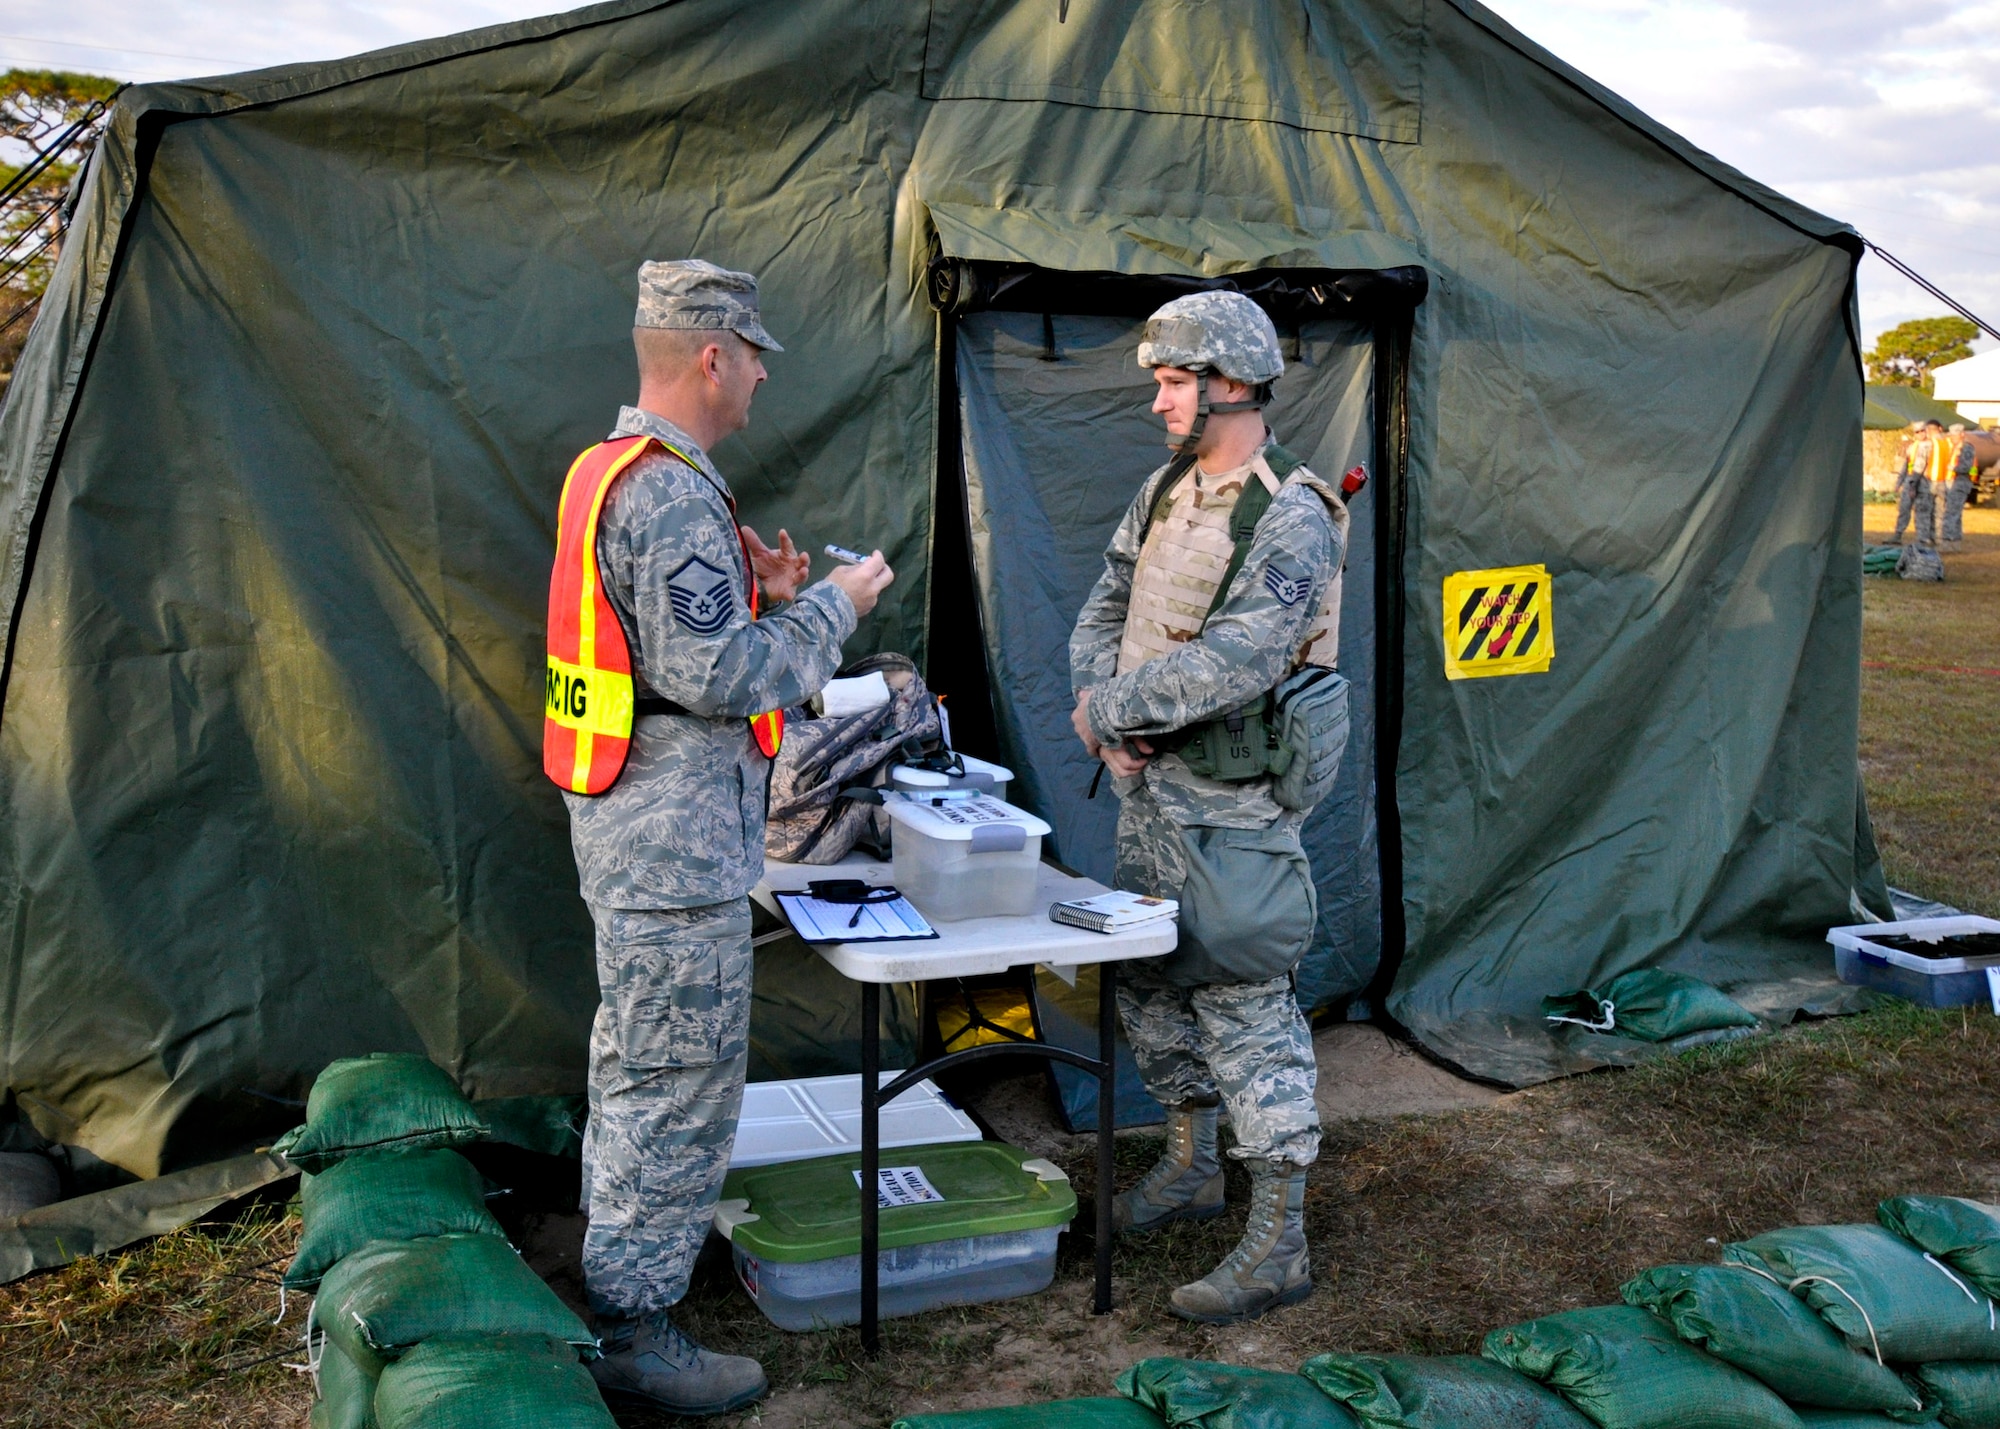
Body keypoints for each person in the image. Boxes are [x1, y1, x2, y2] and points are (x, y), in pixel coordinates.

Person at [546, 259, 893, 1414]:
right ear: (709, 355)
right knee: (677, 1078)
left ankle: (619, 1274)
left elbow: (664, 651)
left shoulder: (609, 474)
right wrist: (831, 608)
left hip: (636, 828)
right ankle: (637, 1331)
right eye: (750, 355)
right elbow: (713, 673)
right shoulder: (674, 494)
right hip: (674, 841)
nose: (756, 376)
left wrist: (770, 599)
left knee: (637, 1062)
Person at [1068, 291, 1347, 1326]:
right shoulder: (1165, 490)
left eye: (1171, 381)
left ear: (1230, 382)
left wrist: (1109, 708)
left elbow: (1241, 660)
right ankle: (1190, 1170)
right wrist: (1101, 701)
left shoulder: (1289, 515)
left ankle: (1279, 1238)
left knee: (1243, 1009)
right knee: (1147, 985)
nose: (1156, 402)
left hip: (1229, 812)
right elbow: (1105, 596)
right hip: (1149, 796)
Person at [1893, 420, 1935, 545]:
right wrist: (1899, 483)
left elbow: (1920, 467)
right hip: (1910, 481)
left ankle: (1923, 538)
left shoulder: (1929, 446)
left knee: (1922, 512)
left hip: (1923, 484)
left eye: (1923, 431)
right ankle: (1897, 535)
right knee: (1904, 509)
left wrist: (1913, 485)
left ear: (1926, 431)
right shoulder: (1913, 447)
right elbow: (1907, 465)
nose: (1921, 434)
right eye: (1918, 432)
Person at [1942, 422, 1977, 549]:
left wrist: (1953, 467)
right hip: (1954, 482)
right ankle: (1955, 542)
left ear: (1962, 434)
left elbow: (1966, 467)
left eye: (1954, 435)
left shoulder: (1966, 448)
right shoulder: (1956, 447)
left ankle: (1948, 541)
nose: (1952, 438)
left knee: (1951, 513)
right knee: (1955, 513)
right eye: (1951, 435)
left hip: (1960, 483)